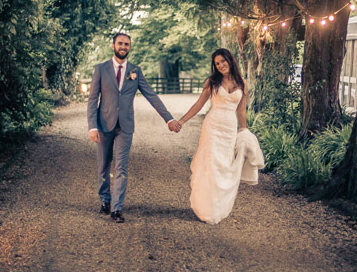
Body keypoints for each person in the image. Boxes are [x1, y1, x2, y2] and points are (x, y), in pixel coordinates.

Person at [87, 32, 181, 223]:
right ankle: (105, 200)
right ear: (113, 45)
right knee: (103, 165)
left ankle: (116, 208)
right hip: (104, 123)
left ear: (130, 47)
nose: (124, 47)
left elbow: (151, 95)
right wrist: (92, 126)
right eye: (120, 43)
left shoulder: (135, 71)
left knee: (121, 167)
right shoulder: (101, 69)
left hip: (126, 126)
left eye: (127, 44)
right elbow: (92, 99)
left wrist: (168, 119)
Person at [173, 48, 264, 224]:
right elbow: (199, 104)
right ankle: (206, 208)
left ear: (230, 60)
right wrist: (181, 121)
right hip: (212, 126)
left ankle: (218, 206)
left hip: (229, 129)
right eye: (217, 63)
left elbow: (241, 110)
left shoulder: (242, 82)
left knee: (224, 166)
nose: (221, 65)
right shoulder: (212, 82)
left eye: (223, 61)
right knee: (212, 166)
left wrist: (244, 131)